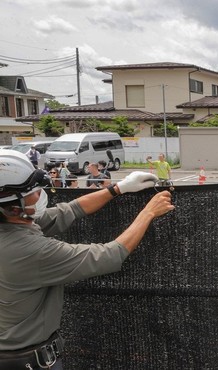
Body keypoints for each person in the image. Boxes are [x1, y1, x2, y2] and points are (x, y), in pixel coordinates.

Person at [0, 149, 173, 369]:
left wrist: (117, 189)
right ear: (15, 206)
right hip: (25, 362)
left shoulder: (12, 222)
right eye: (33, 191)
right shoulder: (29, 250)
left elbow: (69, 210)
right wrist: (148, 212)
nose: (41, 195)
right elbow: (110, 255)